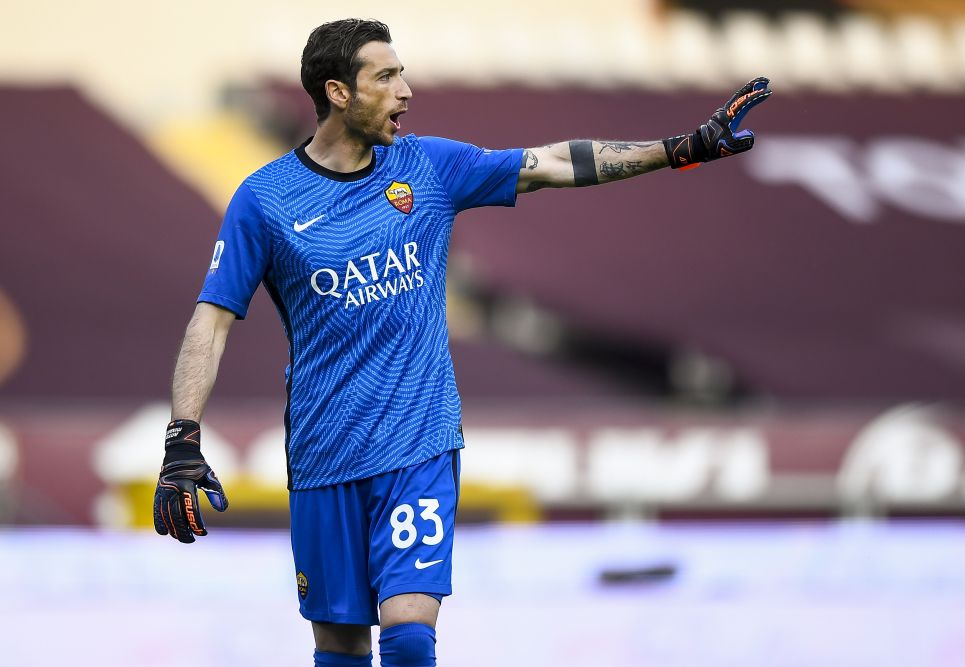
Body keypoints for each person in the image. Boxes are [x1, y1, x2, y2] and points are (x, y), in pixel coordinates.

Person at [152, 18, 772, 667]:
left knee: (411, 632)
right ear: (337, 91)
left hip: (418, 444)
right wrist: (183, 435)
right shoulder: (265, 200)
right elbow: (212, 319)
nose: (405, 91)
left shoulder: (429, 165)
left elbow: (554, 162)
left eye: (403, 73)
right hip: (323, 454)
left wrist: (679, 148)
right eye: (386, 77)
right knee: (338, 643)